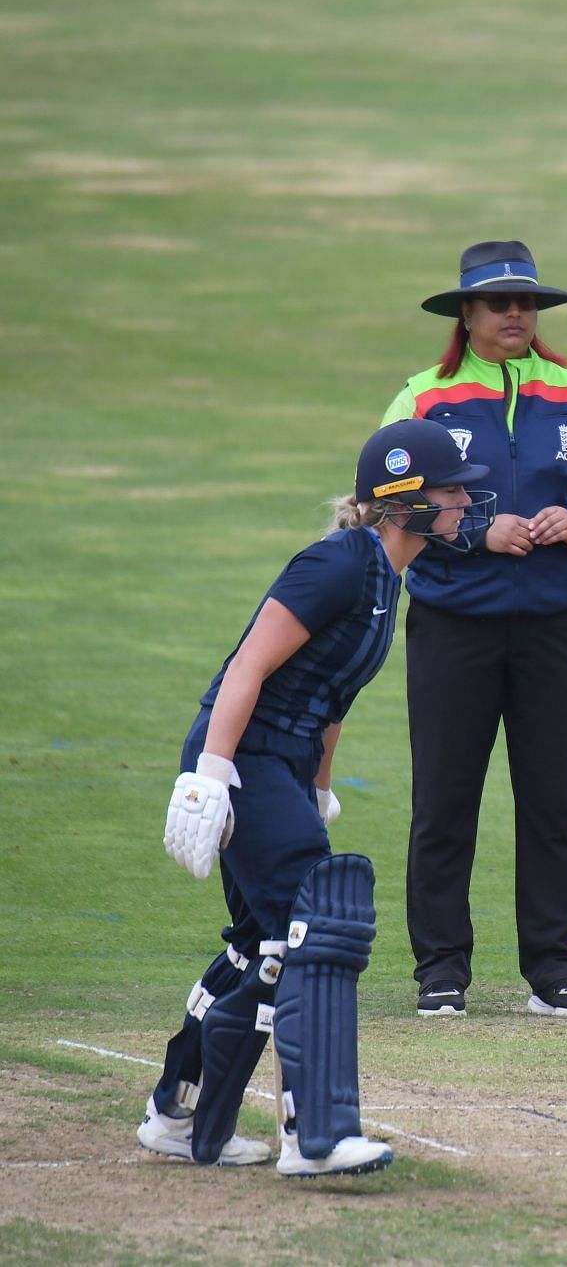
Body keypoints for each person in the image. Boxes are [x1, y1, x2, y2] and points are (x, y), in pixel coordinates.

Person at [140, 420, 494, 1174]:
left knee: (261, 942)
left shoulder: (387, 575)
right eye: (453, 488)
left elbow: (334, 697)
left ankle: (180, 1112)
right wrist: (210, 773)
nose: (467, 500)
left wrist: (321, 787)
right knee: (316, 928)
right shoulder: (337, 564)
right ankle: (315, 1135)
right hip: (247, 757)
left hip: (285, 766)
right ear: (404, 503)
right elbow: (247, 667)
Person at [383, 240, 567, 1020]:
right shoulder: (423, 401)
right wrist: (478, 532)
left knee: (555, 802)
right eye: (500, 303)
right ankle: (441, 971)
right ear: (468, 313)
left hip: (557, 629)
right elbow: (389, 505)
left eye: (527, 303)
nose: (516, 314)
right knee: (445, 799)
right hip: (455, 627)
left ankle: (553, 970)